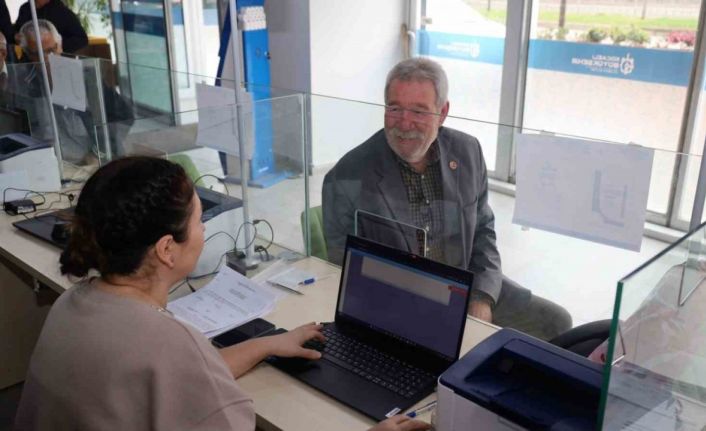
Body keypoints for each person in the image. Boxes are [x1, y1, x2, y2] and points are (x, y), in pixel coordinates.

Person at [15, 157, 430, 431]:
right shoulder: (168, 344)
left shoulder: (74, 303)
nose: (204, 230)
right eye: (199, 220)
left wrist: (269, 343)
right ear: (166, 248)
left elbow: (187, 374)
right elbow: (183, 368)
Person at [323, 58, 571, 338]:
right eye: (395, 108)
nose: (404, 123)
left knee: (557, 322)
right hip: (398, 303)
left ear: (443, 113)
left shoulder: (468, 152)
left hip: (464, 287)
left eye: (419, 111)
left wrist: (481, 297)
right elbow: (345, 271)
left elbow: (483, 232)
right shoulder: (347, 177)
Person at [13, 0, 87, 54]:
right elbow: (18, 28)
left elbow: (82, 39)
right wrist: (16, 36)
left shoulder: (62, 12)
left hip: (54, 59)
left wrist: (55, 45)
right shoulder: (25, 8)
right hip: (30, 58)